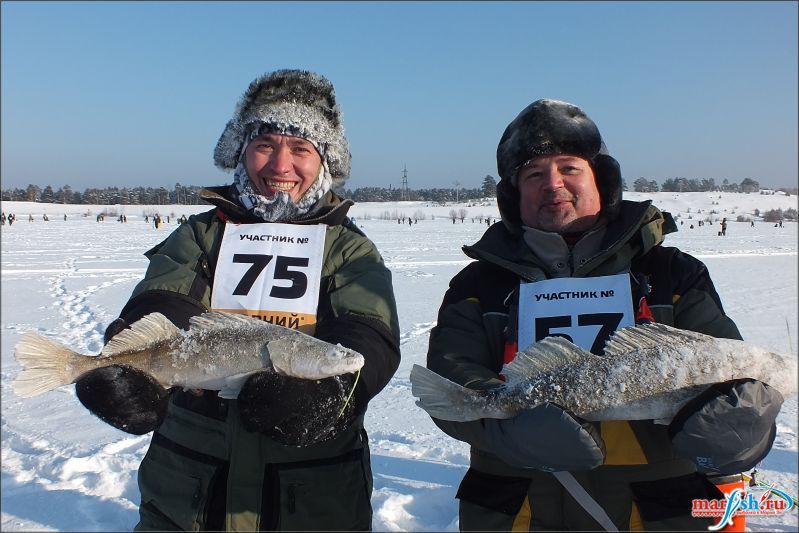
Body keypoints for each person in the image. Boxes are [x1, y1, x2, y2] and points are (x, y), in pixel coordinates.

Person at [424, 99, 783, 531]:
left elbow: (733, 370)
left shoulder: (672, 273)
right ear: (513, 195)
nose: (553, 184)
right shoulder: (477, 285)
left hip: (655, 510)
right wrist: (505, 428)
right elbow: (447, 383)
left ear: (602, 180)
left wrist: (742, 426)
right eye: (534, 174)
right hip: (515, 508)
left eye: (569, 168)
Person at [74, 69, 401, 531]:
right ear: (242, 153)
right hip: (190, 481)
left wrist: (326, 397)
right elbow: (165, 301)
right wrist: (128, 368)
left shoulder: (349, 248)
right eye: (265, 144)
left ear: (324, 161)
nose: (280, 166)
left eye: (301, 149)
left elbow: (369, 336)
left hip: (314, 490)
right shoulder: (199, 235)